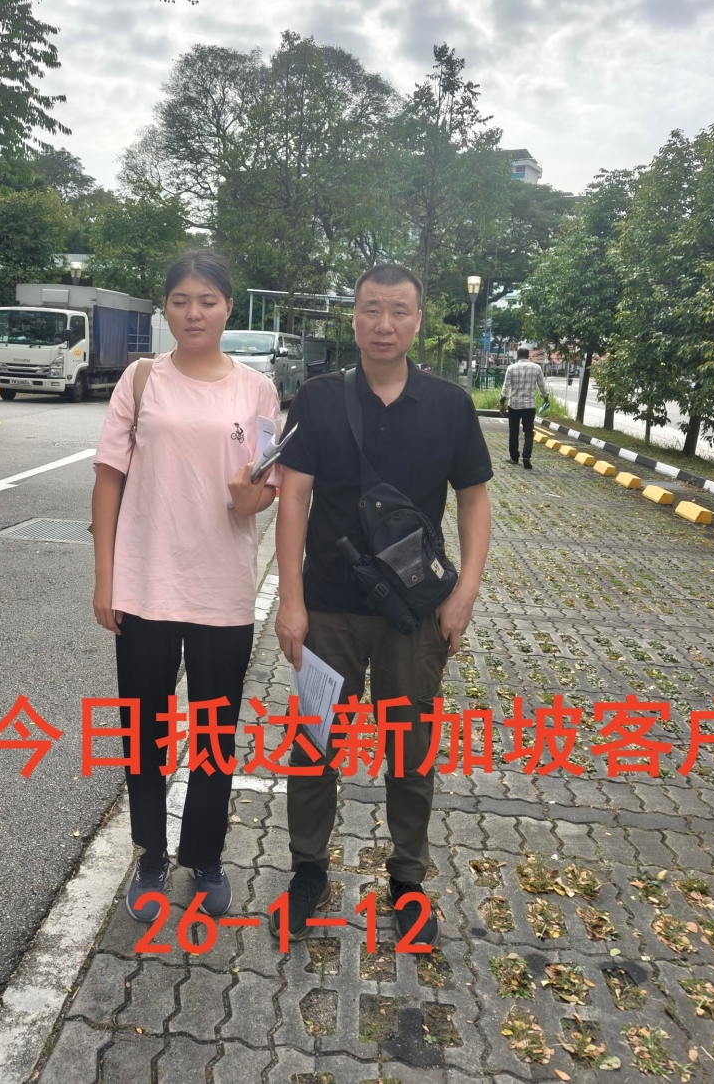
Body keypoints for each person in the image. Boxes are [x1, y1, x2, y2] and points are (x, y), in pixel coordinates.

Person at [272, 264, 493, 946]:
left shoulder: (449, 405)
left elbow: (474, 500)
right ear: (354, 317)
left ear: (418, 320)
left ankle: (408, 880)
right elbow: (293, 496)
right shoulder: (318, 398)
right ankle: (308, 869)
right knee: (315, 743)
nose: (384, 324)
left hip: (415, 616)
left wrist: (464, 594)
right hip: (328, 610)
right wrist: (290, 599)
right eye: (372, 309)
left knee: (410, 748)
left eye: (399, 311)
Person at [90, 249, 281, 923]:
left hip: (221, 588)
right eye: (181, 301)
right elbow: (108, 478)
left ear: (229, 306)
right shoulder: (142, 379)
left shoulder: (257, 390)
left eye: (207, 300)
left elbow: (266, 487)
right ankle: (149, 852)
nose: (194, 312)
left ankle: (203, 854)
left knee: (213, 731)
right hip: (145, 584)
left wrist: (252, 498)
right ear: (165, 308)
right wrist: (105, 577)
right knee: (145, 728)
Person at [499, 347, 549, 469]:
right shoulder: (536, 368)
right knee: (528, 431)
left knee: (513, 431)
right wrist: (545, 398)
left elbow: (506, 387)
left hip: (514, 404)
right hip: (529, 405)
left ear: (517, 356)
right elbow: (542, 385)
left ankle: (514, 457)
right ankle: (526, 456)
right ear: (528, 356)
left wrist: (502, 402)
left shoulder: (511, 368)